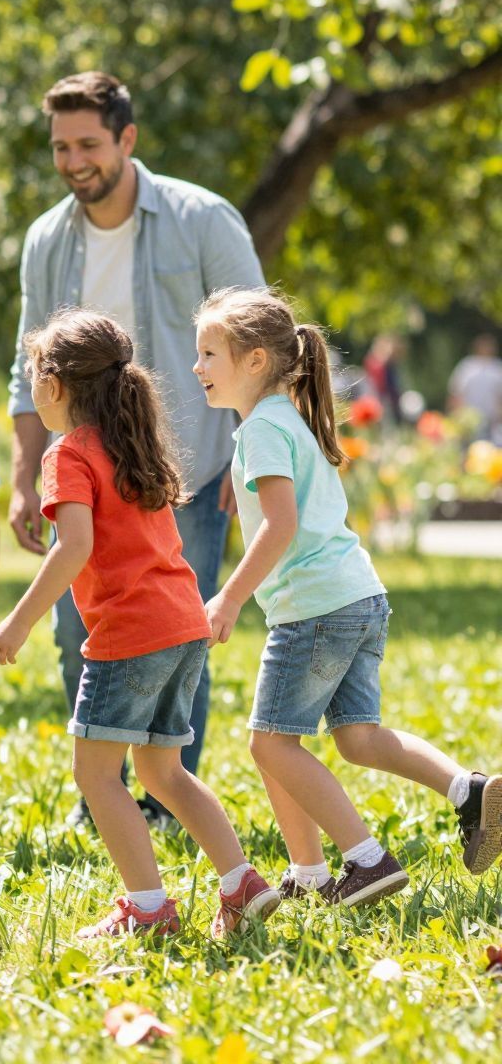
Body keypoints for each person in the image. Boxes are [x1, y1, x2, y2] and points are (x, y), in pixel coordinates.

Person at [7, 71, 266, 819]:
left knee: (177, 631)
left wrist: (247, 455)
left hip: (185, 470)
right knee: (78, 628)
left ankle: (166, 798)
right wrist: (26, 473)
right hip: (84, 468)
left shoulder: (202, 218)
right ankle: (106, 793)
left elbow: (261, 344)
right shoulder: (46, 238)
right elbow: (30, 369)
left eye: (88, 143)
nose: (73, 160)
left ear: (127, 139)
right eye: (60, 146)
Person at [195, 287, 502, 903]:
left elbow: (281, 525)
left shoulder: (260, 429)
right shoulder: (291, 417)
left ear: (255, 361)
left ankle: (366, 860)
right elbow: (288, 509)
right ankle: (468, 793)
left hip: (314, 611)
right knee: (356, 737)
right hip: (358, 596)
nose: (197, 368)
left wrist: (227, 597)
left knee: (269, 743)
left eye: (208, 354)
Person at [0, 308, 279, 937]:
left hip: (129, 635)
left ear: (56, 385)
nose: (30, 385)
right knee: (164, 772)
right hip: (182, 625)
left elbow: (72, 548)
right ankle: (241, 884)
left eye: (34, 372)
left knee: (96, 774)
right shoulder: (133, 442)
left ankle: (147, 908)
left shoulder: (67, 453)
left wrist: (17, 623)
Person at [448, 334, 502, 443]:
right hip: (468, 424)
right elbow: (456, 394)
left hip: (492, 424)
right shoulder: (467, 366)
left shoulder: (497, 368)